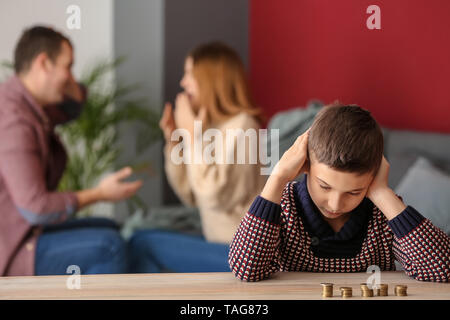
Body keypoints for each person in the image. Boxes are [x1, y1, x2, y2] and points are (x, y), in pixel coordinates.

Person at [229, 104, 450, 282]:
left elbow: (442, 269)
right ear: (305, 165)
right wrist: (277, 178)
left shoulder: (383, 213)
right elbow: (246, 269)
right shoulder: (285, 203)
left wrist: (382, 193)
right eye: (324, 186)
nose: (335, 205)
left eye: (354, 192)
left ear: (372, 179)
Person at [0, 26, 142, 276]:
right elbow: (35, 208)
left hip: (26, 231)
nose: (71, 77)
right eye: (68, 66)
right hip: (12, 248)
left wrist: (67, 79)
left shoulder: (30, 106)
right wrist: (100, 193)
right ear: (43, 63)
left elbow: (73, 107)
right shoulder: (14, 120)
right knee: (110, 247)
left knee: (110, 226)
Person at [128, 42, 267, 273]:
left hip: (244, 255)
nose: (183, 82)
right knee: (139, 238)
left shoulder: (244, 127)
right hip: (222, 247)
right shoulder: (213, 128)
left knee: (142, 244)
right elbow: (192, 195)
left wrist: (193, 138)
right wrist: (175, 141)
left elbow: (213, 196)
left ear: (210, 79)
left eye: (189, 74)